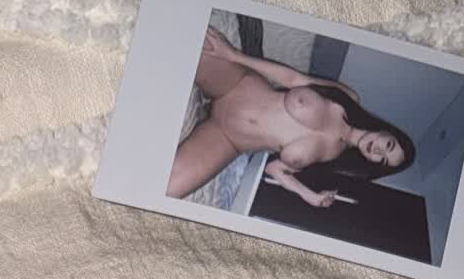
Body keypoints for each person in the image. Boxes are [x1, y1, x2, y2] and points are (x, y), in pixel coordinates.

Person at [168, 25, 416, 210]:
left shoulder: (332, 158)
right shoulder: (348, 99)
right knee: (187, 37)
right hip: (237, 85)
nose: (378, 151)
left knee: (168, 189)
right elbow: (295, 79)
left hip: (226, 139)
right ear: (387, 131)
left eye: (382, 161)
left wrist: (310, 197)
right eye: (389, 145)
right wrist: (232, 55)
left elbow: (276, 169)